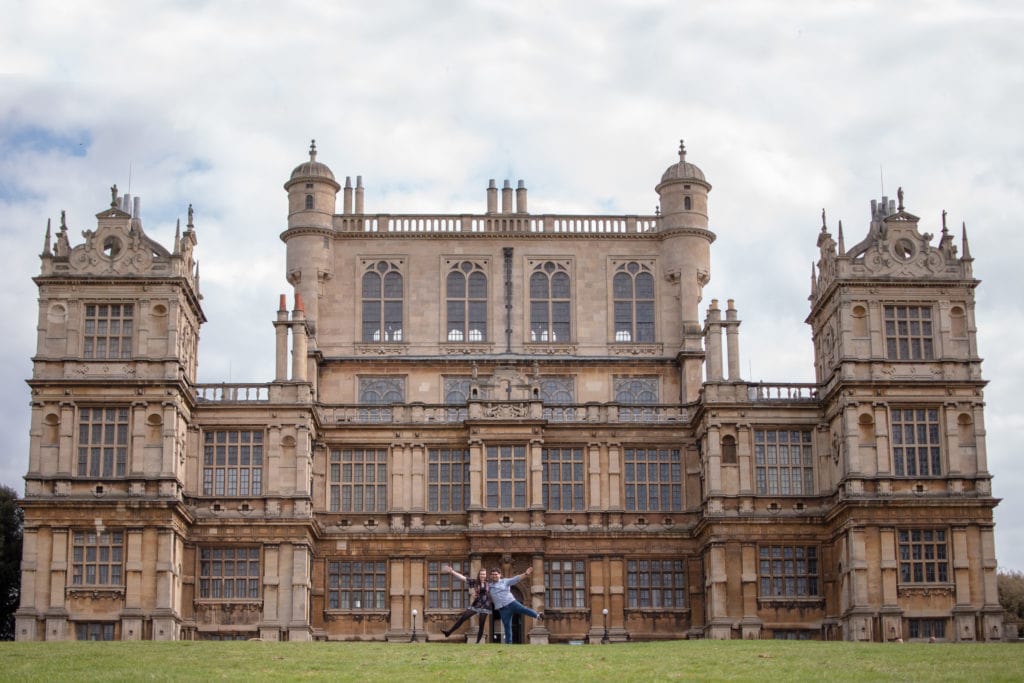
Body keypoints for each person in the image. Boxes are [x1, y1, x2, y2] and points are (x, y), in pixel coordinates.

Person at [488, 566, 543, 644]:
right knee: (507, 626)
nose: (494, 576)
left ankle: (538, 616)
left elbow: (516, 579)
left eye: (496, 574)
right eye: (493, 574)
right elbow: (482, 590)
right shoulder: (489, 586)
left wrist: (526, 573)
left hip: (511, 603)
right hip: (503, 609)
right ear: (490, 576)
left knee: (524, 609)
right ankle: (509, 644)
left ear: (500, 575)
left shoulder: (505, 581)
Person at [440, 565, 492, 642]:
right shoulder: (475, 582)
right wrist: (452, 572)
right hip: (477, 604)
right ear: (479, 575)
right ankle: (448, 632)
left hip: (485, 605)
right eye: (481, 574)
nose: (482, 575)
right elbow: (463, 578)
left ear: (486, 575)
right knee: (463, 618)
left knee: (481, 624)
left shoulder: (489, 583)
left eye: (484, 574)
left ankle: (477, 643)